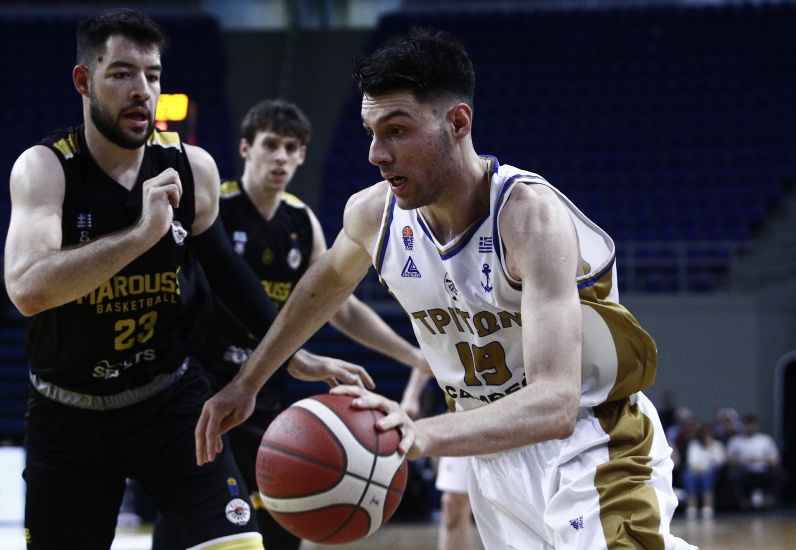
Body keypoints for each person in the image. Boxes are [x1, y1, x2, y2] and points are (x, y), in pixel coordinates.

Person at [196, 28, 696, 549]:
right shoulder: (372, 215)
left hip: (592, 443)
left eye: (396, 130)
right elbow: (321, 293)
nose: (376, 153)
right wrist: (249, 381)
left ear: (458, 122)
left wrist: (419, 433)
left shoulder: (529, 219)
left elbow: (556, 403)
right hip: (490, 455)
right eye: (370, 132)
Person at [3, 10, 370, 550]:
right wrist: (140, 235)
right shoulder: (45, 169)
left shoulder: (191, 167)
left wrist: (293, 354)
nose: (142, 90)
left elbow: (227, 272)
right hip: (68, 415)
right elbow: (28, 289)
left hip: (169, 402)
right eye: (121, 74)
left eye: (152, 75)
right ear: (84, 81)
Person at [151, 99, 430, 550]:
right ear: (246, 148)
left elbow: (339, 307)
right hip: (202, 393)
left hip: (268, 398)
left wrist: (412, 355)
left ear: (302, 156)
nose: (280, 157)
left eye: (291, 148)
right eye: (270, 145)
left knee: (283, 529)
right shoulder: (215, 209)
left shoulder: (301, 221)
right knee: (192, 522)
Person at [402, 369, 475, 549]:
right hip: (464, 412)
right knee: (452, 503)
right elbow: (428, 353)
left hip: (510, 406)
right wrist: (411, 395)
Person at [725, 414, 786, 511]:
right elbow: (728, 459)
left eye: (751, 424)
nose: (749, 427)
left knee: (779, 474)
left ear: (756, 425)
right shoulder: (736, 440)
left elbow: (775, 459)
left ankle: (769, 500)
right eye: (747, 424)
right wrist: (742, 461)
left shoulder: (765, 439)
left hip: (762, 471)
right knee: (732, 475)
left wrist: (760, 459)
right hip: (744, 471)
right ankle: (743, 503)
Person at [683, 423, 726, 519]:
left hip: (710, 470)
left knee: (707, 476)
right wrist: (697, 468)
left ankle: (708, 506)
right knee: (688, 476)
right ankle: (692, 507)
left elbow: (719, 462)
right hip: (695, 470)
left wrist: (711, 448)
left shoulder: (717, 445)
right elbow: (691, 460)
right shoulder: (694, 444)